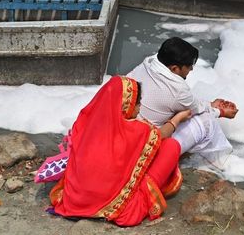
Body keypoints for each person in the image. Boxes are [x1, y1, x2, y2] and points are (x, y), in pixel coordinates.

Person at [49, 76, 190, 227]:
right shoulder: (135, 130)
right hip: (120, 210)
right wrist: (177, 118)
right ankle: (137, 199)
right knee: (170, 146)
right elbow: (161, 135)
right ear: (127, 104)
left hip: (75, 202)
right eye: (138, 103)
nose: (139, 108)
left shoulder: (84, 123)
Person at [126, 37, 237, 163]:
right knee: (207, 122)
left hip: (127, 132)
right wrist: (220, 111)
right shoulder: (177, 90)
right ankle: (223, 162)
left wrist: (211, 104)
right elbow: (195, 110)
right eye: (189, 66)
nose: (192, 69)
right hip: (144, 148)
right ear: (174, 69)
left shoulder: (147, 63)